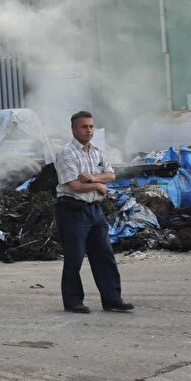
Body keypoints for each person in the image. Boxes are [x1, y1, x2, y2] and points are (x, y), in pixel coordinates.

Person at [53, 111, 134, 314]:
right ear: (73, 130)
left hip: (94, 211)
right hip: (72, 210)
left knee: (104, 255)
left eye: (91, 126)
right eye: (84, 127)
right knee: (75, 257)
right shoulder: (66, 154)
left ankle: (112, 299)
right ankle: (73, 301)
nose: (89, 130)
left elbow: (111, 175)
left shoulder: (97, 152)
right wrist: (99, 186)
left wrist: (92, 179)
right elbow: (74, 186)